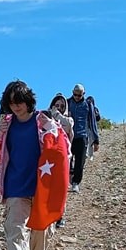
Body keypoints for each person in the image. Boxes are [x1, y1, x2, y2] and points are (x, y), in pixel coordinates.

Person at [0, 80, 70, 250]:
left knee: (39, 232)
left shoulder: (43, 121)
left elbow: (64, 149)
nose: (16, 106)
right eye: (11, 102)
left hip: (41, 186)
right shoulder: (5, 124)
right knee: (15, 230)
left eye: (19, 101)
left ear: (28, 100)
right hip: (15, 186)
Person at [66, 84, 99, 193]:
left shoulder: (88, 105)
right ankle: (69, 175)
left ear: (83, 94)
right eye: (75, 94)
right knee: (67, 160)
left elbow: (92, 122)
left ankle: (76, 183)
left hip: (82, 136)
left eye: (79, 95)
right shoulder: (67, 103)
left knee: (80, 162)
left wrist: (95, 140)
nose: (76, 97)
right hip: (68, 136)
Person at [48, 93, 74, 228]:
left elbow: (68, 125)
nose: (59, 108)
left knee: (61, 187)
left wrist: (56, 115)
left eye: (62, 106)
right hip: (48, 158)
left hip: (63, 158)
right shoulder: (44, 119)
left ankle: (60, 215)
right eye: (56, 105)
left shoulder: (68, 120)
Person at [86, 95, 100, 161]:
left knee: (90, 141)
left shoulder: (94, 109)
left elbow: (98, 118)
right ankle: (88, 154)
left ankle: (90, 155)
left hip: (90, 127)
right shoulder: (87, 108)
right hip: (87, 126)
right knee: (88, 140)